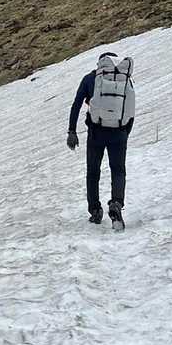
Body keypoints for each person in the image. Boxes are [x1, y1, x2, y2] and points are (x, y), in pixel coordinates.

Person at [67, 52, 135, 228]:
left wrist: (72, 131)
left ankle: (95, 210)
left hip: (96, 133)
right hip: (119, 133)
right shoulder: (123, 79)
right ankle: (116, 203)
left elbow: (76, 104)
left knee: (93, 172)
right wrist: (125, 132)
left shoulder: (90, 79)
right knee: (118, 170)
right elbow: (130, 108)